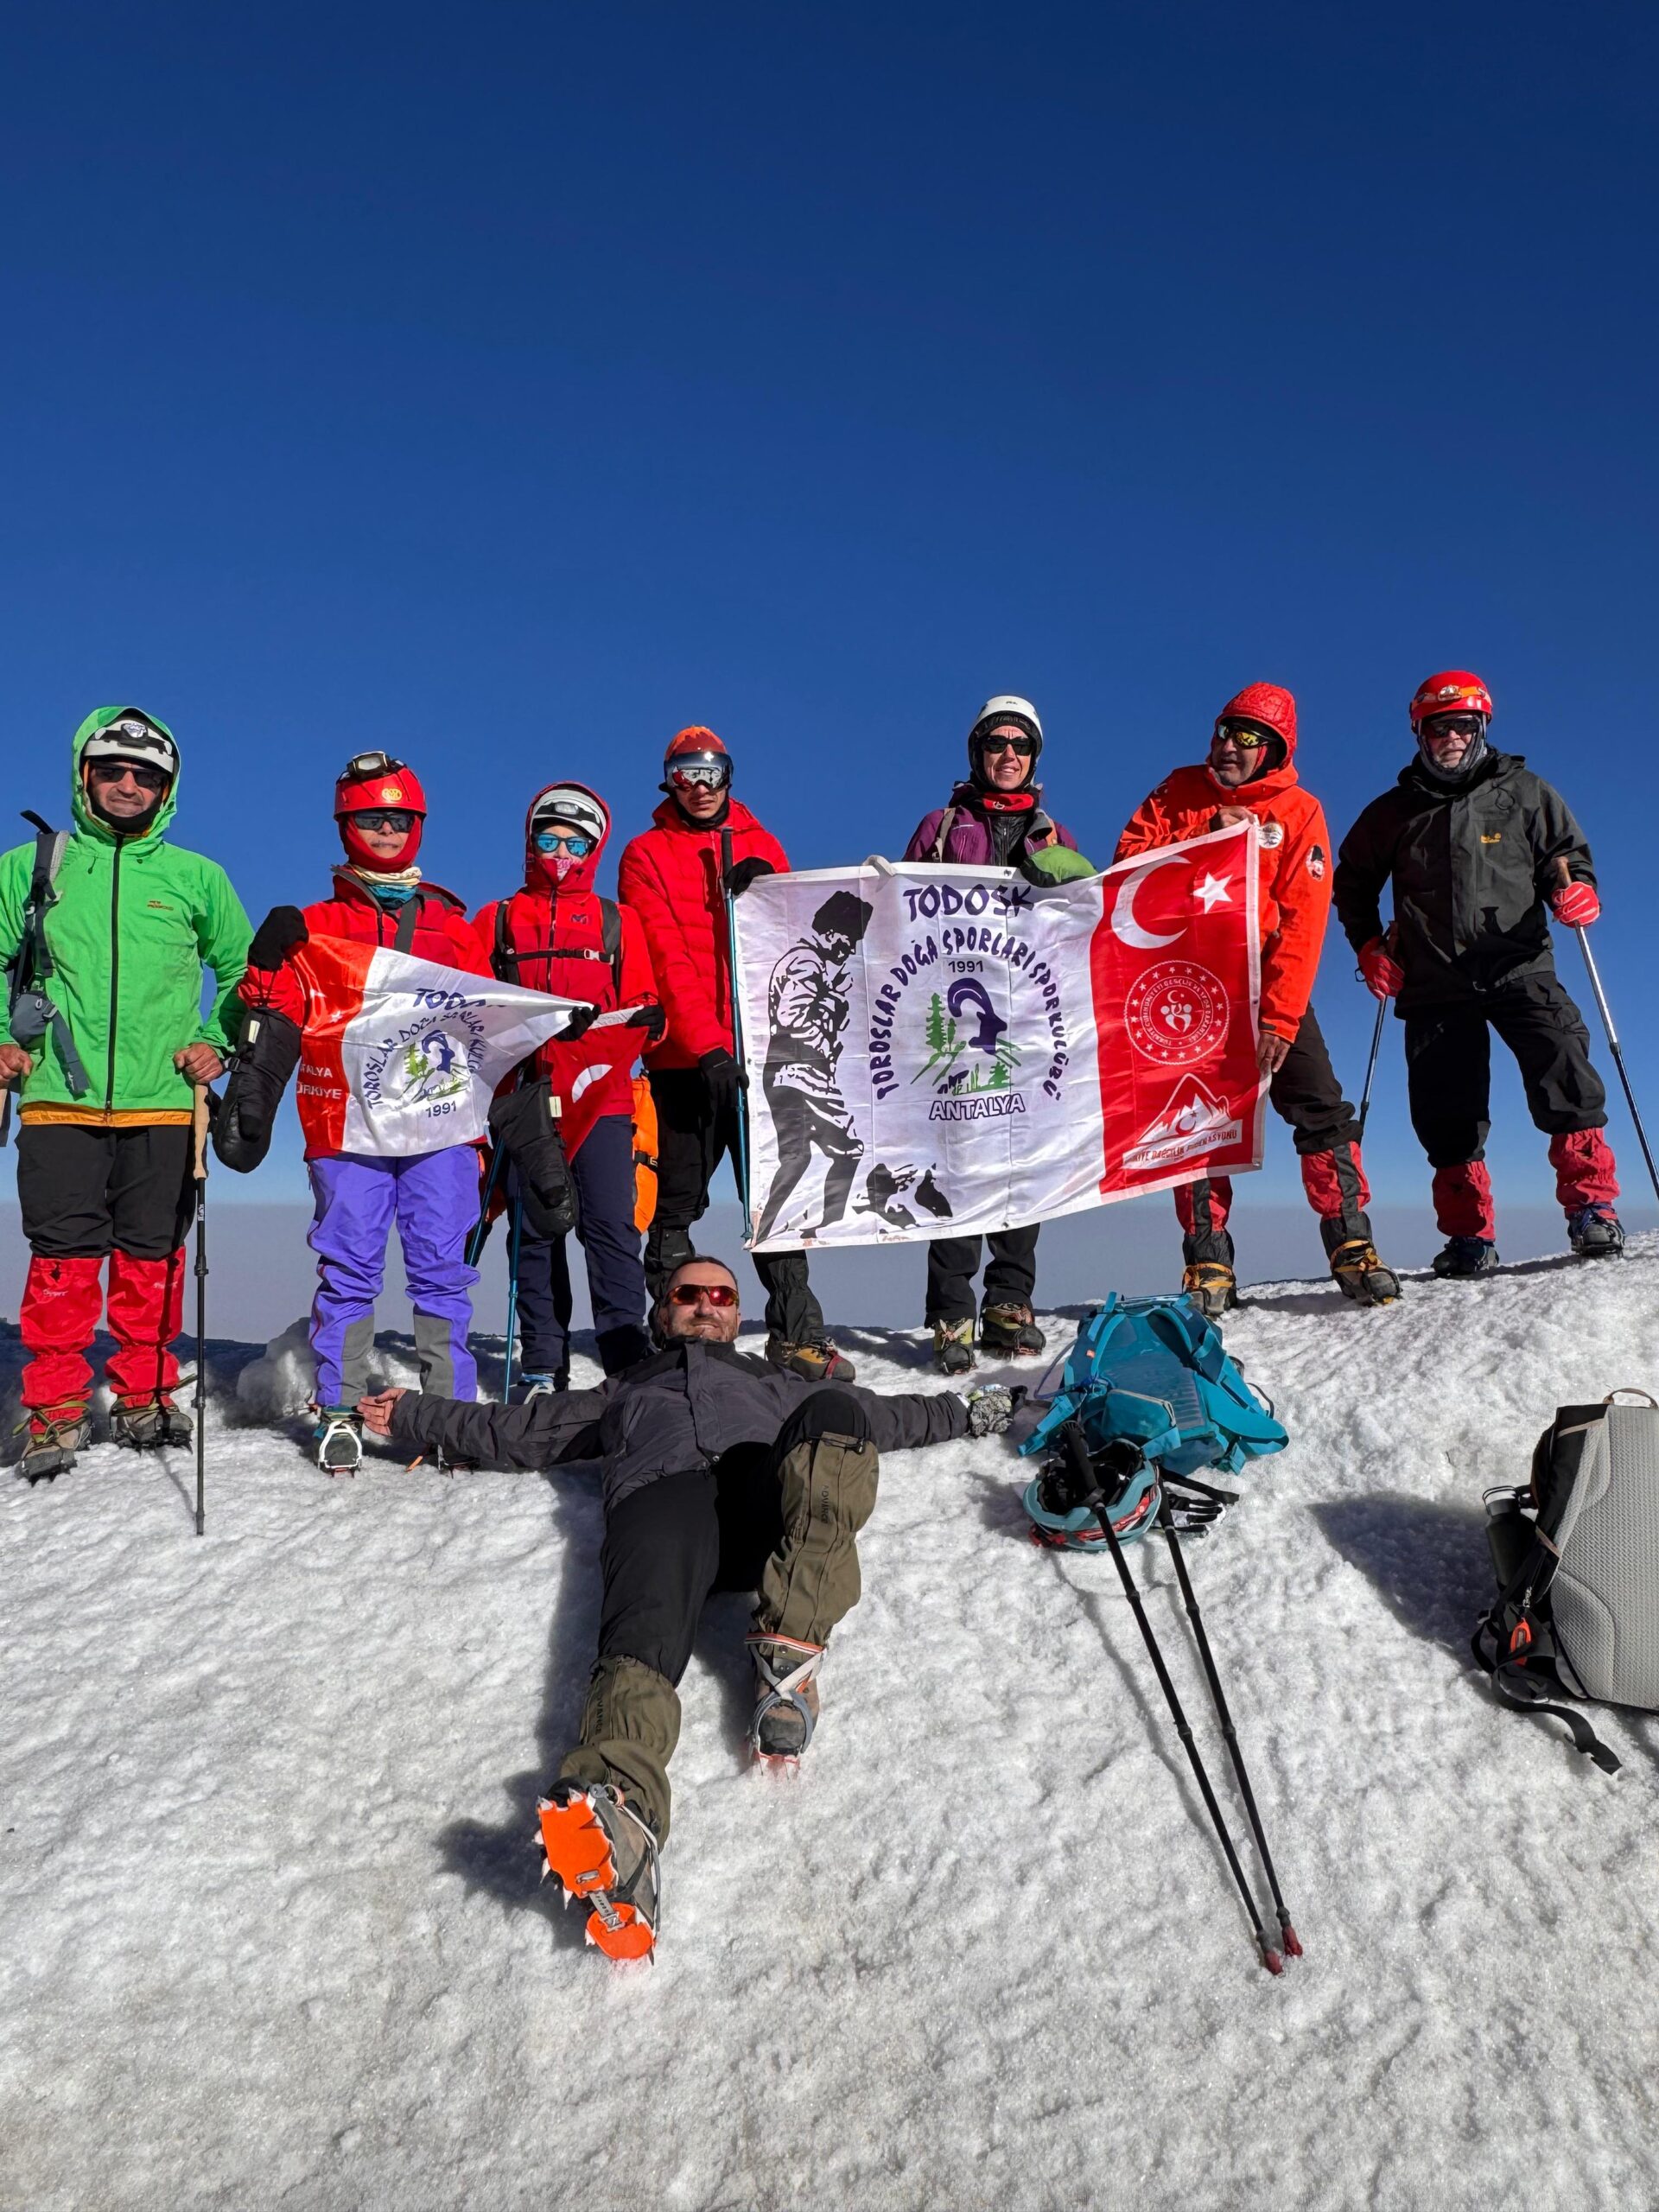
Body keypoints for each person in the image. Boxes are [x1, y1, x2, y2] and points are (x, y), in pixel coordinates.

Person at [359, 1251, 1020, 1959]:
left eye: (722, 1295)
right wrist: (415, 1413)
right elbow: (516, 1432)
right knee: (642, 1615)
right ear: (664, 1311)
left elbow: (885, 1416)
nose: (707, 1304)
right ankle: (619, 1817)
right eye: (689, 1293)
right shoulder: (621, 1390)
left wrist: (970, 1409)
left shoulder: (777, 1380)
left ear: (737, 1315)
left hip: (764, 1505)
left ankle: (786, 1664)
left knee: (836, 1410)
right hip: (664, 1504)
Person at [0, 707, 251, 1483]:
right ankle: (53, 1411)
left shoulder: (196, 877)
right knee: (63, 1260)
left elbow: (245, 973)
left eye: (147, 774)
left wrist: (214, 1039)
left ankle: (144, 1395)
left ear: (168, 788)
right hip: (55, 1099)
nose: (129, 784)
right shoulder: (30, 866)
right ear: (85, 774)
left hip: (165, 1101)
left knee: (153, 1258)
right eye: (113, 769)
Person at [238, 752, 497, 1470]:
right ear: (345, 825)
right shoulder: (314, 926)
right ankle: (341, 1405)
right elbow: (273, 1009)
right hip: (346, 1124)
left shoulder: (453, 923)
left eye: (397, 819)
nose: (384, 830)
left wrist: (552, 1024)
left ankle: (449, 1414)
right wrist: (265, 960)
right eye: (369, 819)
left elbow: (490, 1014)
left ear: (416, 826)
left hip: (439, 1128)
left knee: (443, 1268)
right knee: (350, 1268)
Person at [1116, 683, 1400, 1315]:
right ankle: (1208, 1262)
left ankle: (1352, 1247)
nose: (1228, 747)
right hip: (1188, 989)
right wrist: (1204, 845)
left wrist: (1281, 1015)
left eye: (1248, 738)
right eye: (1223, 730)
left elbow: (1304, 921)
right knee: (1192, 1125)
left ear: (1275, 750)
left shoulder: (1299, 811)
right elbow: (1126, 868)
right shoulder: (1176, 792)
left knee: (1322, 1111)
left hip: (1269, 986)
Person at [1335, 670, 1623, 1275]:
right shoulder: (1393, 813)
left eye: (1464, 725)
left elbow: (1565, 859)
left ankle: (1592, 1208)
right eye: (1439, 727)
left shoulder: (1524, 792)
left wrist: (1580, 894)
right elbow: (1353, 884)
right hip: (1433, 977)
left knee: (1563, 1065)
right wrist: (1368, 946)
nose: (1452, 738)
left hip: (1518, 962)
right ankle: (1469, 1236)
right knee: (1447, 1109)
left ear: (1482, 726)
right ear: (1420, 732)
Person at [618, 726, 854, 1382]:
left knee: (776, 1198)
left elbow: (791, 943)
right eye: (685, 773)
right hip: (684, 1064)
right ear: (668, 781)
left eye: (711, 771)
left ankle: (798, 1337)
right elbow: (665, 958)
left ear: (729, 776)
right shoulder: (645, 854)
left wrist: (769, 886)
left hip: (760, 1061)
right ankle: (674, 1339)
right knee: (675, 1205)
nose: (699, 786)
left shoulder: (762, 843)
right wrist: (707, 1048)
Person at [900, 696, 1079, 1373]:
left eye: (1021, 745)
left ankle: (1009, 1303)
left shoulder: (1050, 834)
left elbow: (1076, 920)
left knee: (1019, 1164)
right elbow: (900, 912)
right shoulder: (941, 826)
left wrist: (1069, 875)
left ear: (1034, 757)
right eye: (996, 743)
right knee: (955, 1161)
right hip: (951, 1019)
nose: (1009, 755)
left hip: (1026, 1020)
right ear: (977, 753)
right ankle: (950, 1314)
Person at [474, 783, 661, 1393]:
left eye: (575, 842)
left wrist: (648, 1021)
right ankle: (541, 1362)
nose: (561, 852)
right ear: (530, 841)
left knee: (610, 1225)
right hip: (525, 1101)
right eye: (549, 838)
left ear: (595, 847)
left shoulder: (617, 921)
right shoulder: (497, 918)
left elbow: (644, 1004)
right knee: (535, 1229)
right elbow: (472, 1008)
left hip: (602, 1096)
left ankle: (625, 1356)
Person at [752, 889, 873, 1243]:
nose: (849, 949)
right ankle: (828, 1222)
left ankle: (767, 1226)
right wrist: (832, 1005)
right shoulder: (807, 962)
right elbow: (793, 1017)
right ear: (834, 932)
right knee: (848, 1148)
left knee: (796, 1156)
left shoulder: (803, 962)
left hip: (785, 1070)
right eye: (848, 941)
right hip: (802, 1070)